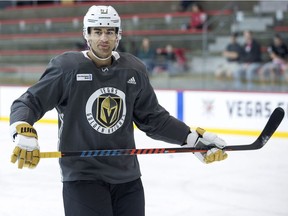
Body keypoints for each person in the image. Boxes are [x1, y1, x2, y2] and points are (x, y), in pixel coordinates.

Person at [9, 5, 228, 216]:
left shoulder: (133, 69)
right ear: (87, 34)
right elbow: (27, 103)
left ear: (118, 35)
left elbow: (153, 119)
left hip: (127, 178)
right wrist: (22, 129)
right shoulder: (66, 68)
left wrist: (191, 139)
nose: (103, 38)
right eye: (97, 31)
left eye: (109, 32)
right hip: (83, 177)